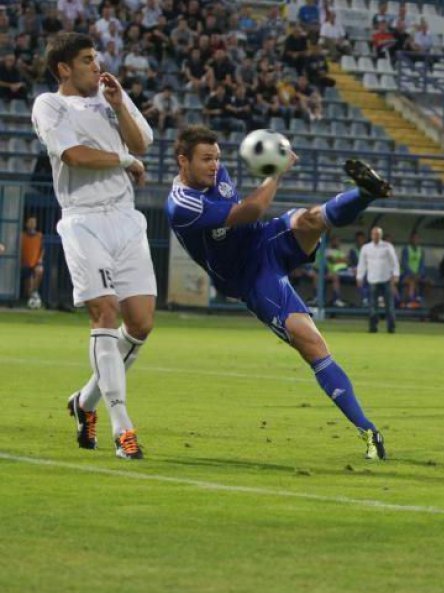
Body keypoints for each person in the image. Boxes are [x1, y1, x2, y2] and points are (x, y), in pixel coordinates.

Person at [166, 126, 392, 459]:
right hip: (249, 277)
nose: (214, 165)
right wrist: (275, 173)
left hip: (264, 239)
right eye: (205, 159)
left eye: (217, 157)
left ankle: (366, 193)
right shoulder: (182, 205)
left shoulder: (216, 175)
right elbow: (249, 211)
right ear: (183, 161)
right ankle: (369, 431)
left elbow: (255, 220)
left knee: (311, 219)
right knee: (311, 342)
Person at [32, 33, 156, 460]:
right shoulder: (50, 104)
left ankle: (83, 403)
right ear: (64, 68)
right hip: (84, 218)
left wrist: (120, 104)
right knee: (105, 311)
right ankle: (124, 430)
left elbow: (142, 143)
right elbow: (73, 155)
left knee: (140, 323)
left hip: (126, 217)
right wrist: (123, 161)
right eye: (86, 60)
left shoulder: (110, 96)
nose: (95, 65)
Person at [357, 226, 400, 334]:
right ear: (371, 235)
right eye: (374, 234)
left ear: (381, 235)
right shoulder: (366, 248)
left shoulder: (387, 246)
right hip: (372, 279)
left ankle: (391, 328)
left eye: (378, 234)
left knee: (389, 305)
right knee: (372, 306)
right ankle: (373, 327)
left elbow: (394, 261)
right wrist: (359, 276)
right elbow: (362, 264)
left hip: (386, 279)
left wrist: (395, 274)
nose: (376, 236)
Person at [20, 215, 44, 309]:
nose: (32, 224)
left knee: (39, 270)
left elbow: (42, 249)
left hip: (35, 262)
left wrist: (40, 259)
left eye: (34, 222)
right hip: (25, 262)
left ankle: (34, 293)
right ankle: (30, 297)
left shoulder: (39, 236)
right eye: (30, 222)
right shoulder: (22, 236)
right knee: (27, 283)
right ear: (26, 224)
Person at [400, 231, 426, 308]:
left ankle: (420, 299)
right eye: (414, 238)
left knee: (428, 282)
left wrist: (420, 274)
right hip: (405, 275)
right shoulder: (406, 249)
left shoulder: (421, 250)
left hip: (418, 275)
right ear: (410, 239)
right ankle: (410, 301)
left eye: (417, 238)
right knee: (412, 281)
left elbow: (422, 264)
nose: (416, 240)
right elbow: (404, 264)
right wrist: (412, 273)